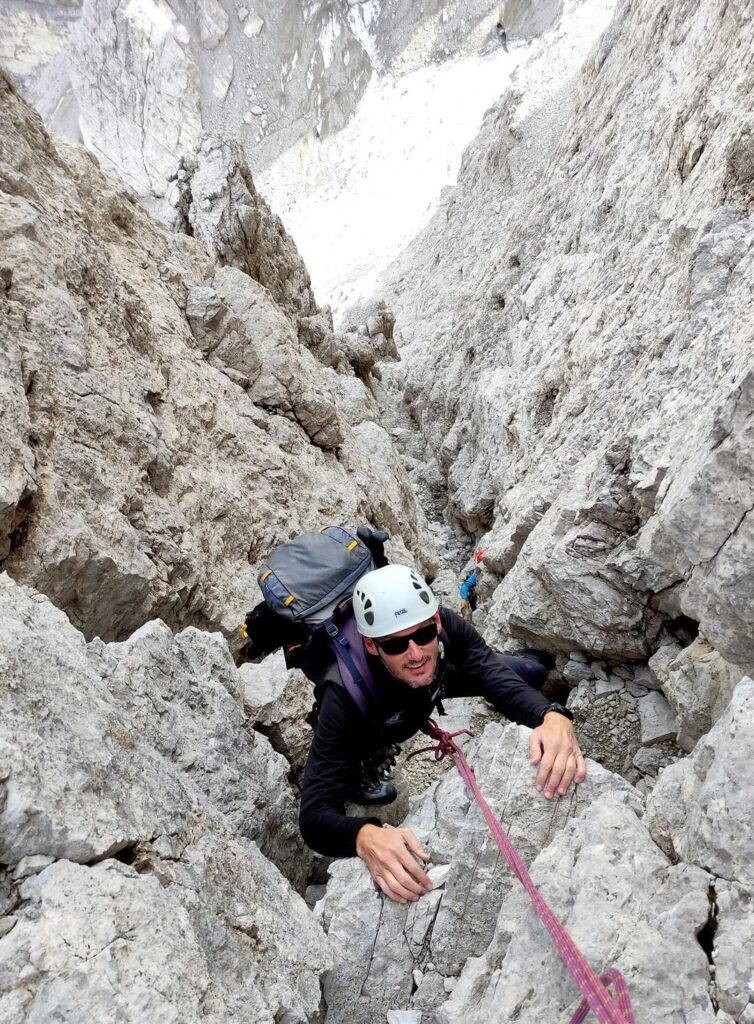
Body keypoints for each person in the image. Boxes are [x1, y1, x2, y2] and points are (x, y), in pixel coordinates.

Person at [299, 564, 586, 904]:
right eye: (394, 644)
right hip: (373, 713)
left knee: (530, 673)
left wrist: (550, 714)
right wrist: (363, 836)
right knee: (362, 752)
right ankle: (367, 765)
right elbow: (314, 817)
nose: (416, 652)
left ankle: (527, 664)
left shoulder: (444, 626)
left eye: (422, 635)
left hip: (435, 681)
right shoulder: (343, 695)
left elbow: (487, 669)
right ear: (372, 646)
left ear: (435, 622)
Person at [459, 547, 486, 621]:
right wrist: (464, 598)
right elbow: (464, 586)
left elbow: (464, 586)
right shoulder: (476, 574)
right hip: (474, 597)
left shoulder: (475, 573)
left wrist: (463, 598)